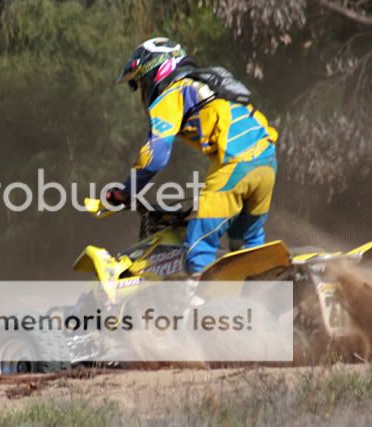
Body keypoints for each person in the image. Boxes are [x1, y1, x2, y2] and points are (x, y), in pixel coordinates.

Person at [109, 37, 279, 277]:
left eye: (142, 83)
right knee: (246, 246)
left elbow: (155, 157)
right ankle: (267, 286)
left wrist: (125, 192)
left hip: (236, 164)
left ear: (154, 73)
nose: (143, 92)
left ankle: (199, 299)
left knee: (198, 248)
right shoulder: (206, 87)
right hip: (267, 162)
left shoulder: (171, 94)